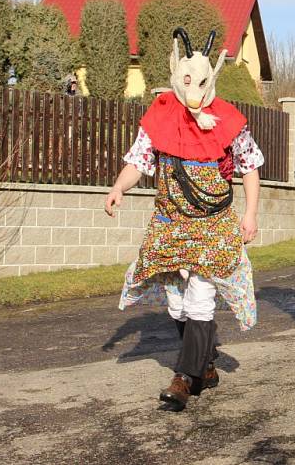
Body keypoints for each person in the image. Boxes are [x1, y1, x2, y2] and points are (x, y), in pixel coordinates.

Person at [105, 28, 262, 411]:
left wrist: (251, 213)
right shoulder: (160, 116)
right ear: (177, 75)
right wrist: (118, 187)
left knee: (201, 298)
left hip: (213, 222)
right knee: (177, 303)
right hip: (171, 222)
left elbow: (250, 166)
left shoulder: (228, 119)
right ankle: (205, 368)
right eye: (186, 79)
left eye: (200, 80)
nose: (193, 87)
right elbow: (138, 161)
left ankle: (183, 378)